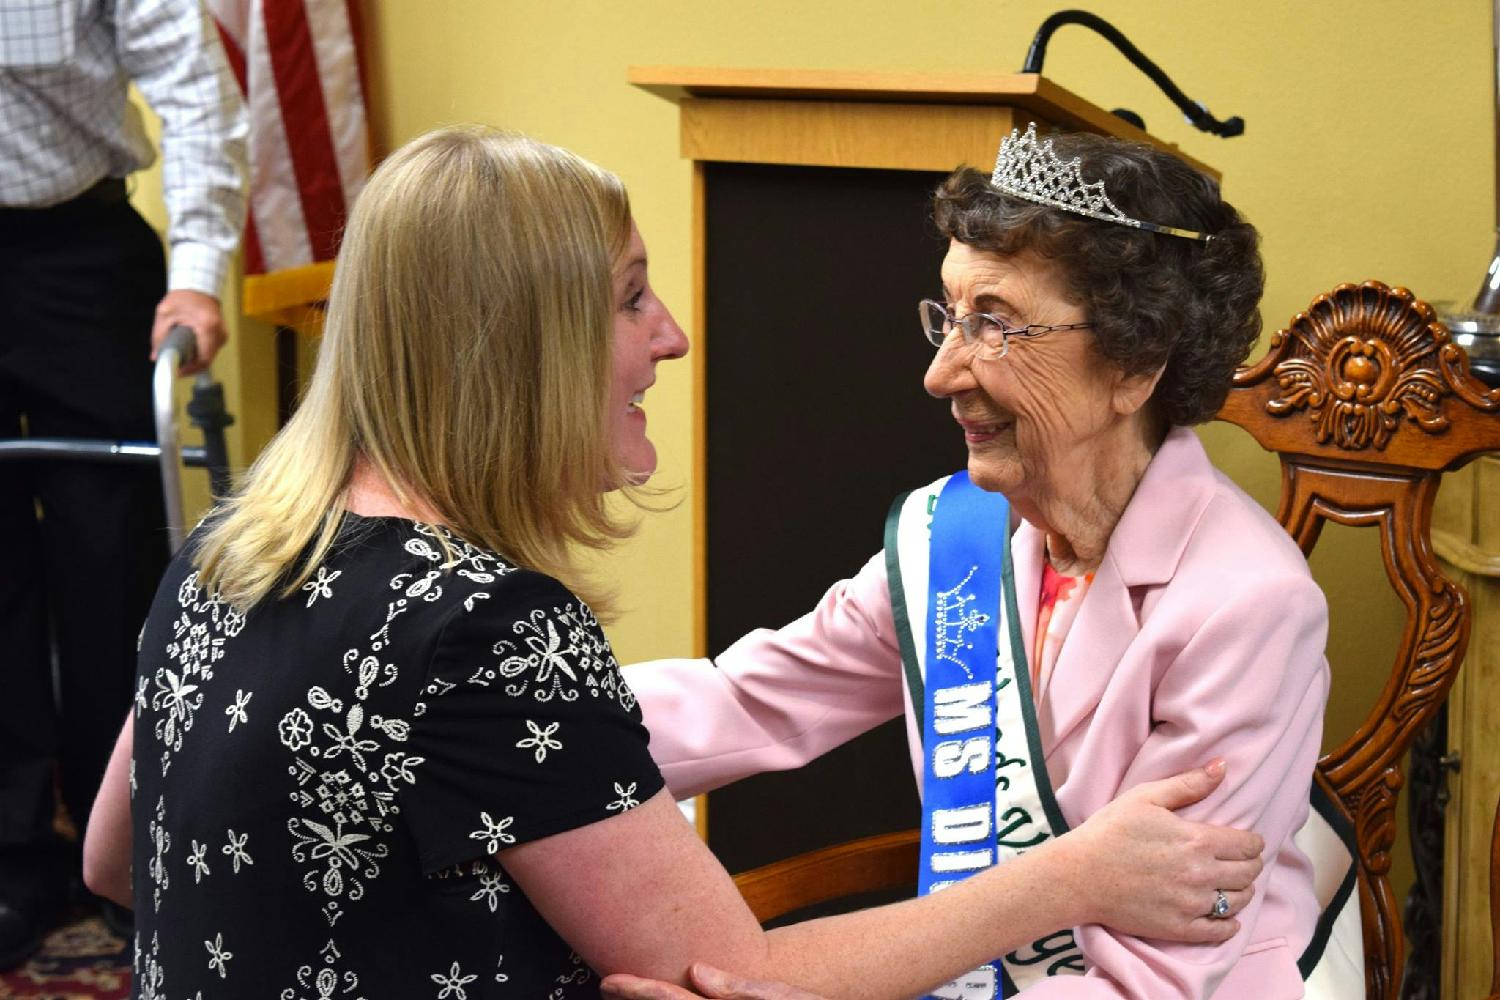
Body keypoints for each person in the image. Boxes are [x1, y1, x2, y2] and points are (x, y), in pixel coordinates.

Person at [82, 125, 1266, 1000]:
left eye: (993, 321)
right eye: (632, 297)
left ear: (1135, 365)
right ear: (522, 350)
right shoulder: (490, 633)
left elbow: (116, 859)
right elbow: (727, 917)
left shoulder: (229, 546)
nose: (675, 335)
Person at [623, 125, 1348, 999]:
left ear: (1136, 361)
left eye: (994, 325)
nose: (940, 373)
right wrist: (511, 712)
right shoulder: (961, 537)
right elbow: (749, 703)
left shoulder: (1248, 604)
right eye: (949, 317)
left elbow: (1157, 979)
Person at [0, 0, 247, 966]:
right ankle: (15, 858)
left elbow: (191, 88)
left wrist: (196, 271)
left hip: (78, 248)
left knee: (112, 564)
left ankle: (131, 846)